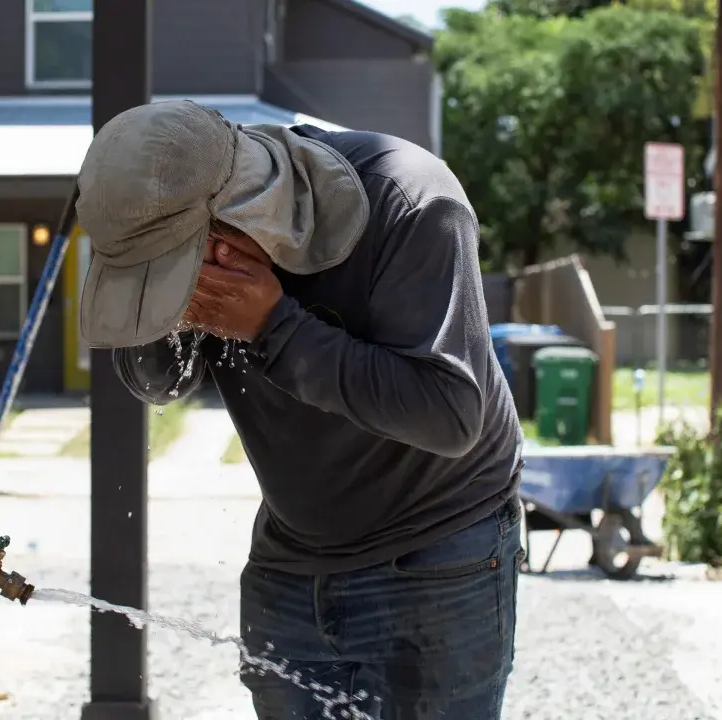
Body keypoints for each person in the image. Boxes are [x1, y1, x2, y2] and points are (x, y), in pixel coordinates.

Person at [75, 100, 525, 719]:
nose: (177, 285)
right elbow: (160, 383)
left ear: (237, 219)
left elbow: (448, 414)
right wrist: (164, 313)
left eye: (174, 267)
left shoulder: (410, 200)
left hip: (439, 545)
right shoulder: (188, 226)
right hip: (290, 557)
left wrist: (273, 326)